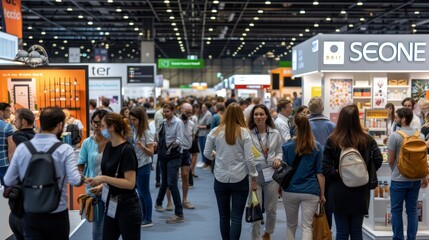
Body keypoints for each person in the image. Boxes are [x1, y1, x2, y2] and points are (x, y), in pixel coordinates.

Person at [4, 106, 85, 240]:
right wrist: (84, 178)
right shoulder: (64, 149)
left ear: (40, 122)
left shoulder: (23, 148)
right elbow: (75, 181)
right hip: (57, 212)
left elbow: (8, 180)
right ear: (60, 125)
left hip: (31, 211)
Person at [322, 104, 383, 240]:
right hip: (361, 190)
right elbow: (378, 159)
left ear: (341, 119)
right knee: (357, 232)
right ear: (357, 119)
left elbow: (325, 168)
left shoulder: (332, 140)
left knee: (342, 232)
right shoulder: (367, 140)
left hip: (339, 190)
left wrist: (340, 175)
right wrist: (364, 172)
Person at [204, 103, 258, 240]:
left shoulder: (215, 131)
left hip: (220, 178)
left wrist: (216, 154)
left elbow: (206, 153)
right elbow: (249, 158)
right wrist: (254, 175)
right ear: (241, 115)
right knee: (236, 218)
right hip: (240, 179)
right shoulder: (245, 132)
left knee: (223, 217)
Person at [88, 112, 141, 240]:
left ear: (111, 128)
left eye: (103, 125)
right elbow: (109, 173)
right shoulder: (108, 147)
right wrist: (100, 185)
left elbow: (130, 183)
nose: (100, 128)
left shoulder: (127, 150)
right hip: (111, 204)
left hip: (127, 207)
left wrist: (104, 179)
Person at [386, 107, 429, 240]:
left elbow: (390, 159)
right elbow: (421, 159)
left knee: (396, 211)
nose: (395, 119)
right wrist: (423, 176)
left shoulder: (395, 136)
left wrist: (396, 172)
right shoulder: (420, 135)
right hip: (415, 179)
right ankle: (411, 238)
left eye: (397, 117)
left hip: (399, 180)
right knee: (412, 211)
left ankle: (398, 238)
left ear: (403, 119)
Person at [281, 114, 325, 240]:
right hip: (310, 190)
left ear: (295, 126)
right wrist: (322, 194)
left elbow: (284, 169)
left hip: (290, 190)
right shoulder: (316, 147)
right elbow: (320, 173)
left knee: (291, 225)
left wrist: (280, 187)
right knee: (307, 226)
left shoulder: (287, 146)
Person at [247, 104, 282, 240]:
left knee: (271, 209)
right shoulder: (248, 133)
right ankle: (254, 237)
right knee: (255, 209)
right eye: (256, 114)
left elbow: (279, 151)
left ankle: (268, 233)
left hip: (271, 175)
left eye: (261, 114)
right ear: (253, 116)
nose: (258, 117)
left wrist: (278, 159)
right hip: (254, 175)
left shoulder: (275, 133)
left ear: (267, 116)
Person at [78, 110, 109, 240]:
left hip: (112, 188)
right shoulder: (87, 142)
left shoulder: (113, 142)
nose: (96, 126)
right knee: (97, 227)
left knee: (113, 225)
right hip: (94, 190)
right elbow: (80, 165)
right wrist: (83, 178)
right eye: (94, 122)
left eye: (99, 123)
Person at [307, 96, 336, 229]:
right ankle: (326, 229)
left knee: (309, 200)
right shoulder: (332, 126)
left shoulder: (305, 125)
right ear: (323, 108)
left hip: (309, 167)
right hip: (327, 167)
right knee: (327, 200)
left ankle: (311, 229)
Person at [154, 102, 185, 224]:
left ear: (172, 111)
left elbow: (180, 140)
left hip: (174, 155)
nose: (165, 114)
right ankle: (158, 202)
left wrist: (170, 146)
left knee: (172, 183)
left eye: (168, 111)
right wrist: (157, 143)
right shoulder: (163, 123)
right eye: (164, 111)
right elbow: (158, 135)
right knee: (164, 182)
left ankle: (179, 213)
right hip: (163, 155)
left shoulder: (178, 123)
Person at [8, 108, 36, 240]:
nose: (14, 122)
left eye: (16, 119)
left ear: (23, 121)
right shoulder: (37, 136)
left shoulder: (18, 135)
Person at [166, 103, 196, 210]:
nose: (188, 114)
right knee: (172, 178)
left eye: (190, 112)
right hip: (174, 152)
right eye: (186, 111)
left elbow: (192, 136)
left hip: (185, 152)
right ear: (181, 110)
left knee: (185, 176)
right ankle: (169, 202)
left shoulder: (192, 124)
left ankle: (185, 200)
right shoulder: (174, 122)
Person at [129, 107, 155, 228]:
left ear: (140, 119)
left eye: (134, 119)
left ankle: (148, 218)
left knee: (145, 193)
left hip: (144, 165)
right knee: (140, 192)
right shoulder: (134, 130)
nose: (132, 121)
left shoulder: (147, 132)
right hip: (135, 164)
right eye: (131, 119)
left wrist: (142, 146)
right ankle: (143, 216)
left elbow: (151, 152)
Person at [0, 102, 15, 186]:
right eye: (8, 111)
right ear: (1, 112)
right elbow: (11, 149)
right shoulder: (7, 127)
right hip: (3, 164)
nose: (10, 113)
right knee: (4, 193)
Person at [197, 101, 212, 170]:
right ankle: (203, 161)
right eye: (202, 107)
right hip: (201, 134)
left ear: (207, 107)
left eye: (204, 107)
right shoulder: (203, 114)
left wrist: (199, 127)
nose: (203, 108)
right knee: (202, 149)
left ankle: (207, 163)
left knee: (205, 149)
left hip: (205, 134)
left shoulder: (208, 114)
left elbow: (208, 126)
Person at [189, 103, 200, 177]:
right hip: (193, 138)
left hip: (187, 138)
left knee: (189, 154)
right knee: (194, 154)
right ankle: (192, 170)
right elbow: (196, 128)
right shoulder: (194, 117)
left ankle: (190, 170)